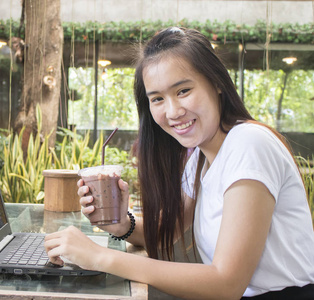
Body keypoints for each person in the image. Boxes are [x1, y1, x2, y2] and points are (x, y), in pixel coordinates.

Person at [44, 27, 314, 299]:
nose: (172, 112)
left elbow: (226, 283)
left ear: (217, 83)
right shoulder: (200, 157)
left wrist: (99, 257)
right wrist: (121, 224)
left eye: (183, 90)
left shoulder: (249, 144)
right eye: (157, 99)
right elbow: (169, 229)